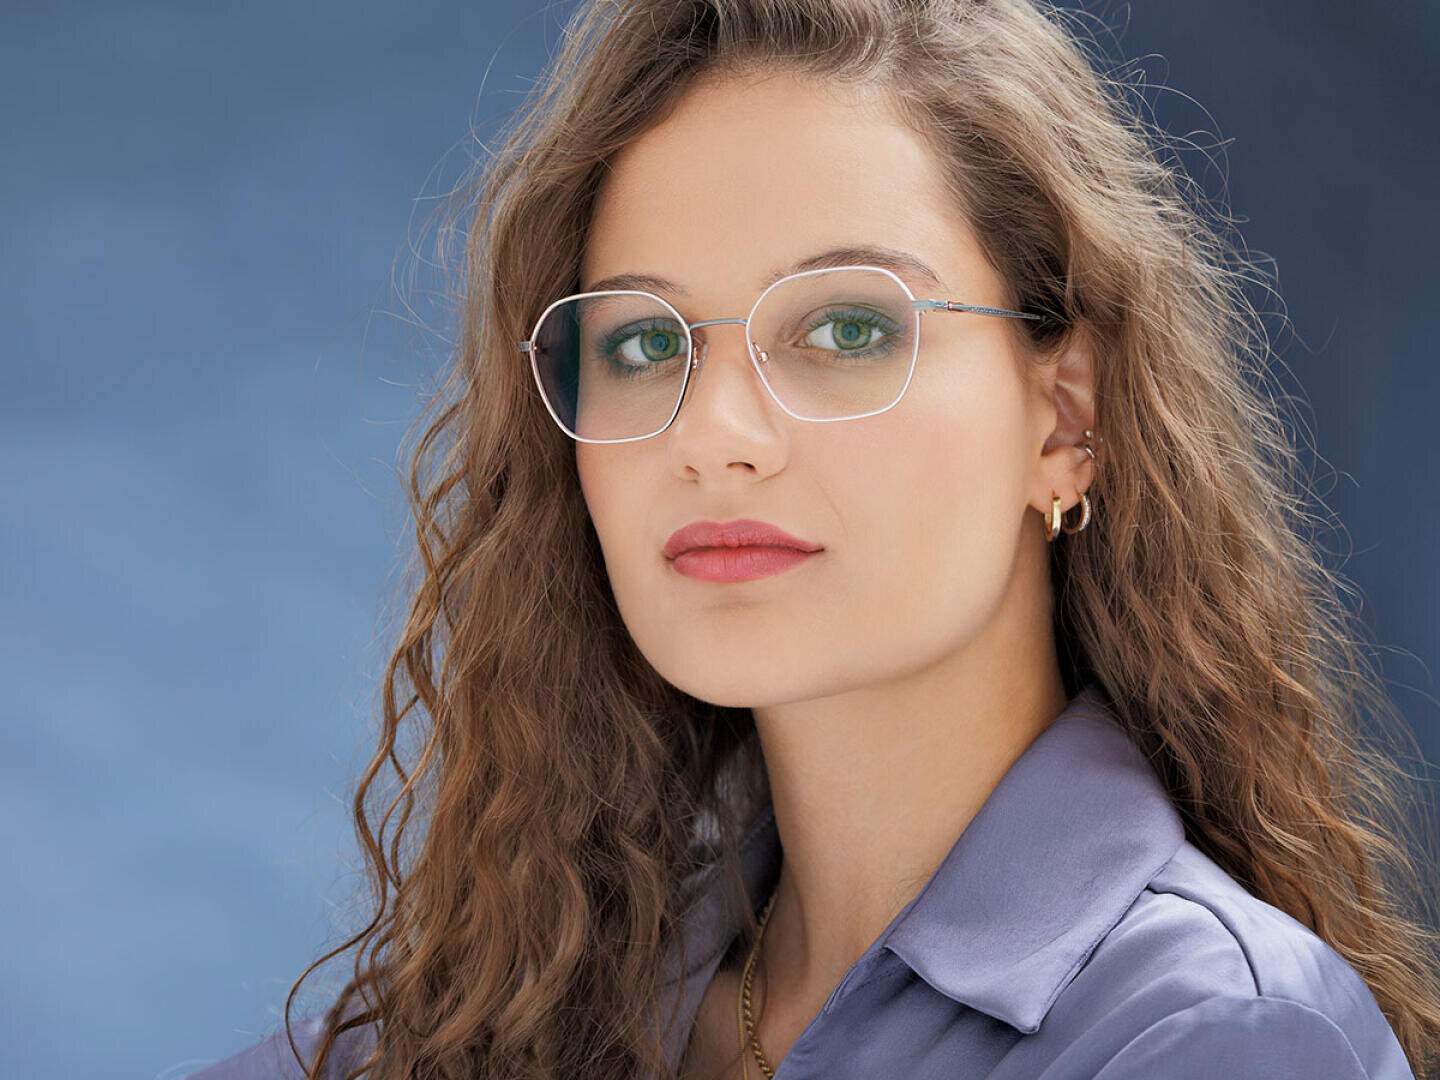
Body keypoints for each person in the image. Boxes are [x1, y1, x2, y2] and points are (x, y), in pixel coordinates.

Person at [184, 1, 1440, 1077]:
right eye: (644, 342)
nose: (713, 435)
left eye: (847, 330)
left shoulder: (1212, 1034)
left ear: (1065, 419)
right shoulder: (544, 997)